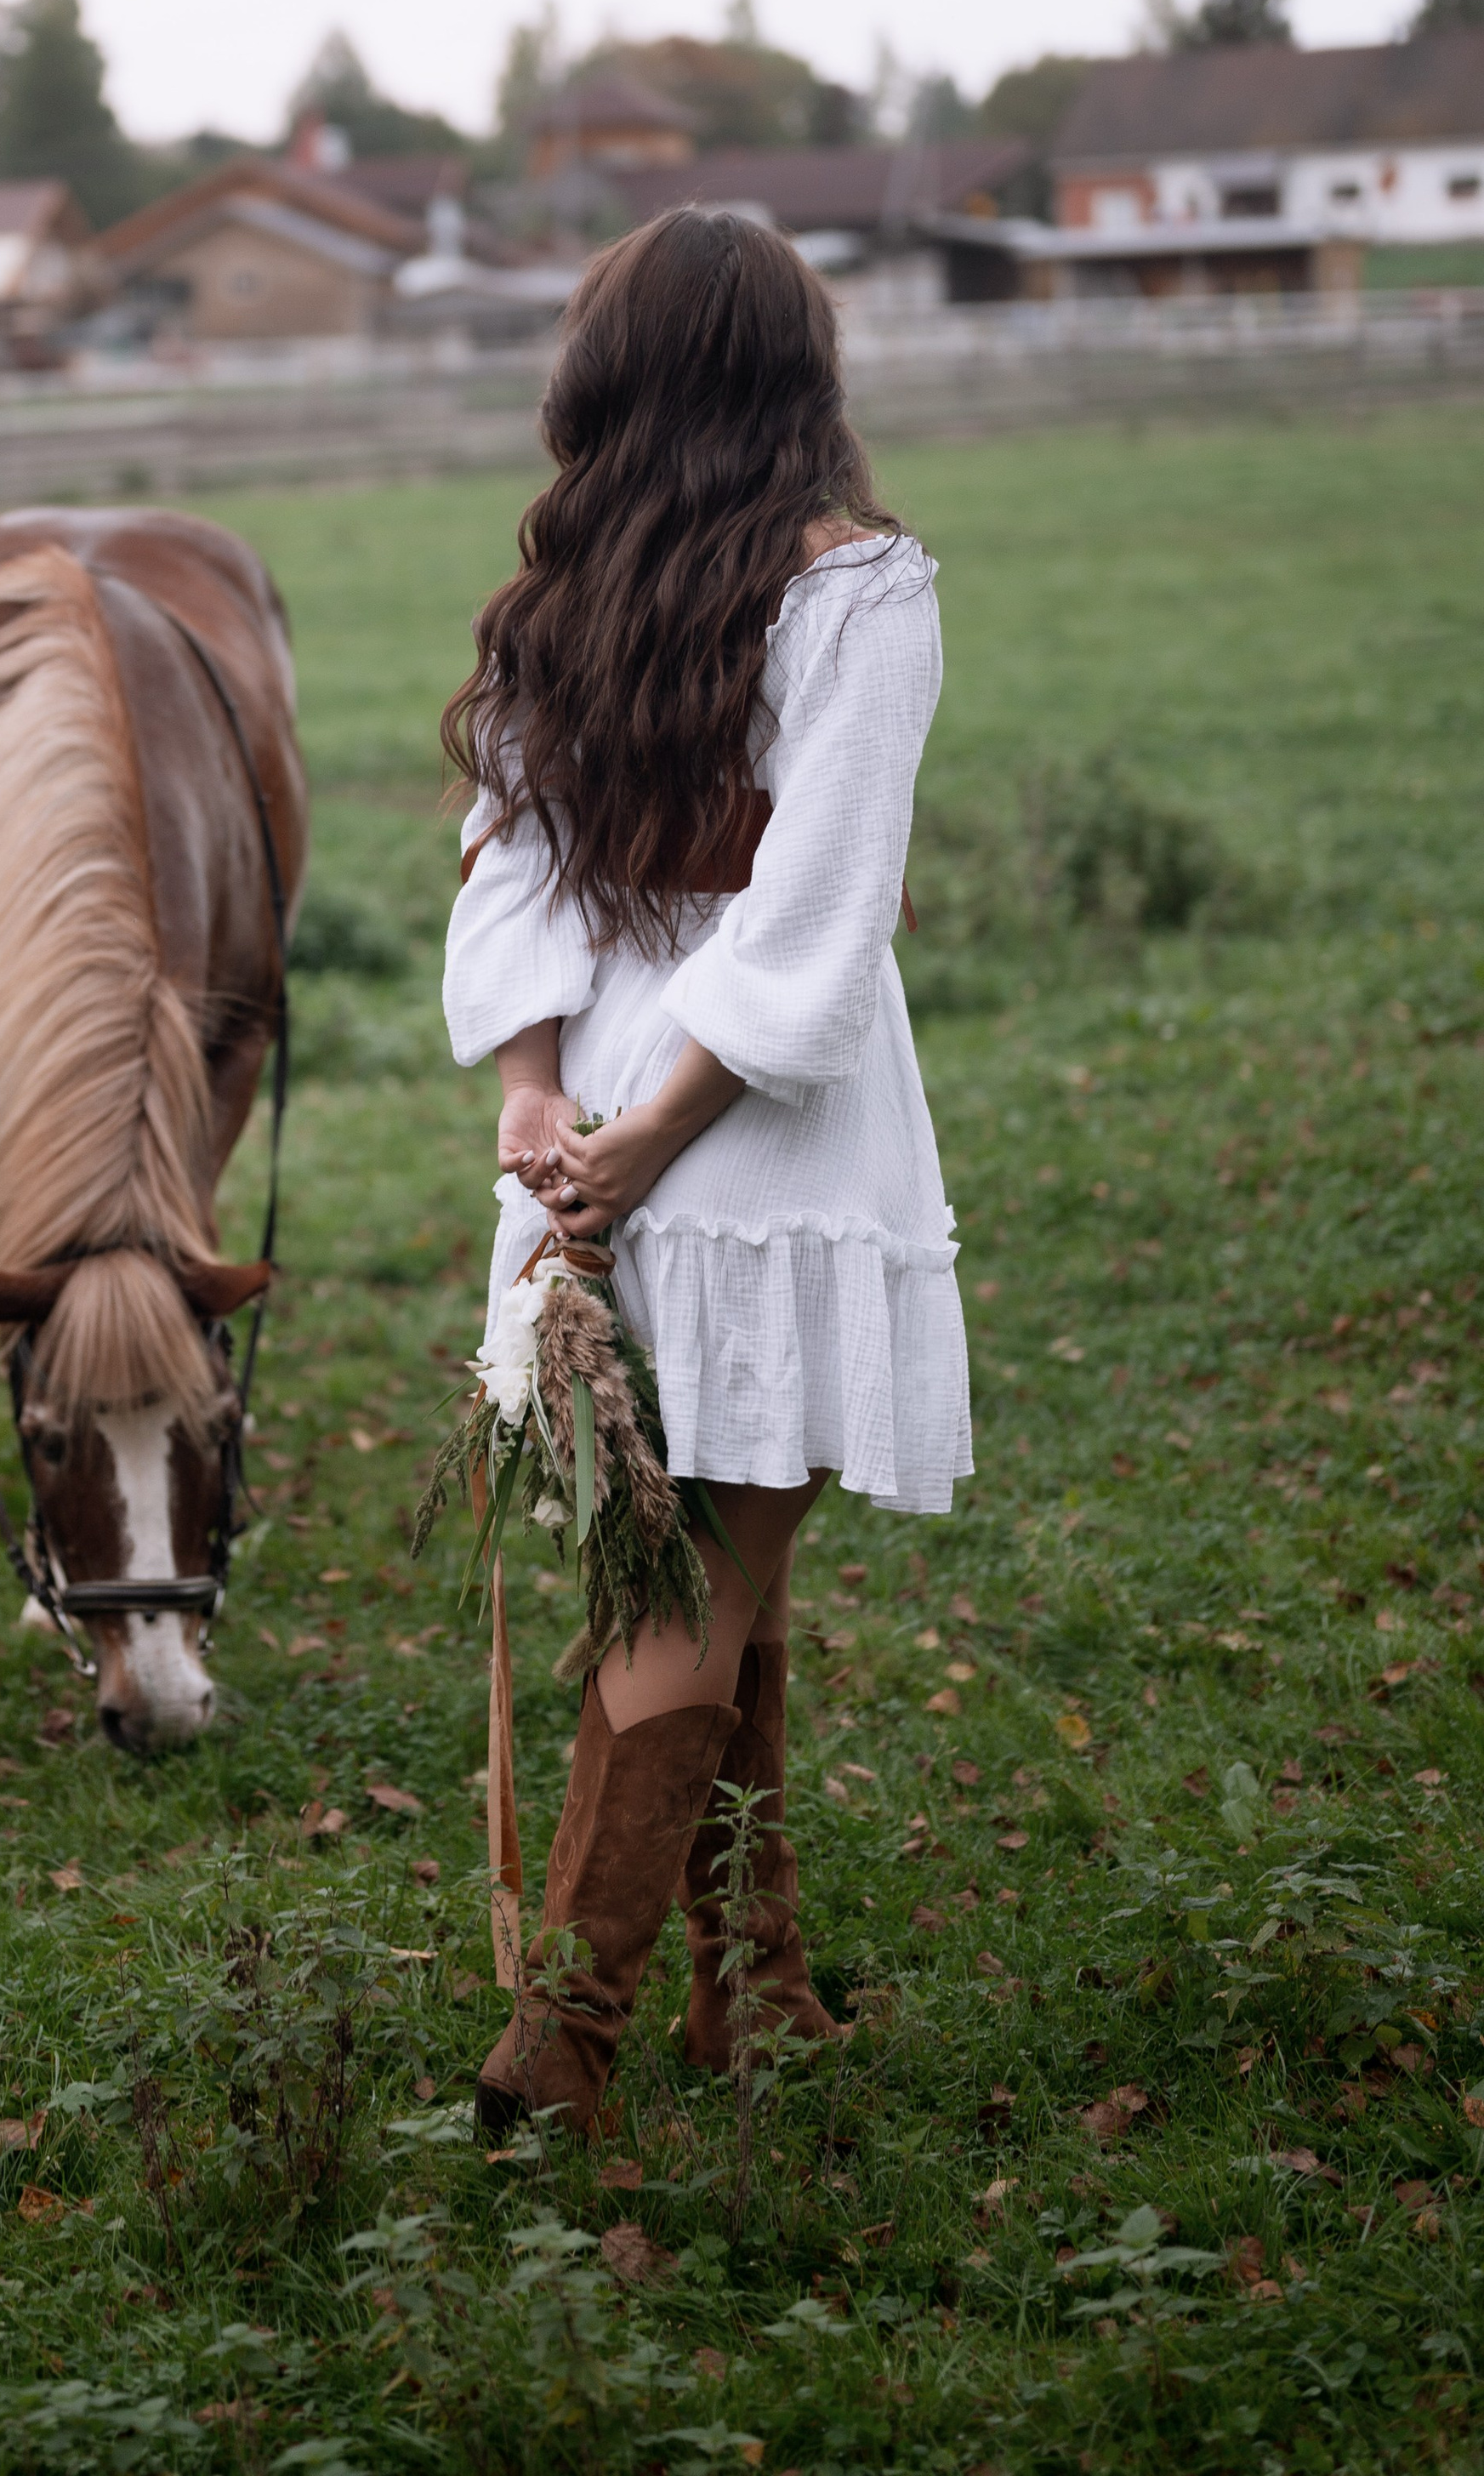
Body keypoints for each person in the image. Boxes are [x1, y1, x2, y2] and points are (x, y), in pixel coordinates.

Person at [440, 207, 970, 2139]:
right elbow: (815, 921)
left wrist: (540, 1103)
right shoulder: (861, 592)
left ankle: (754, 1992)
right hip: (734, 1150)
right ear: (795, 375)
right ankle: (559, 2046)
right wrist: (627, 1133)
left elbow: (515, 868)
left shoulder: (565, 587)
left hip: (605, 1140)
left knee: (712, 1566)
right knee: (700, 1580)